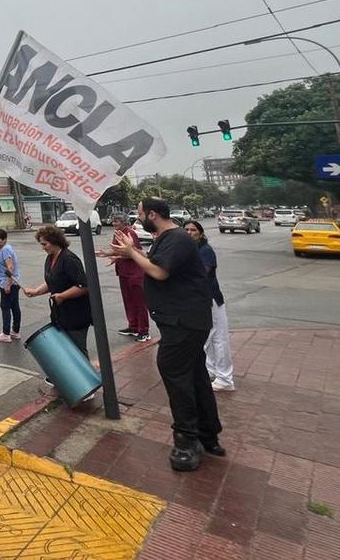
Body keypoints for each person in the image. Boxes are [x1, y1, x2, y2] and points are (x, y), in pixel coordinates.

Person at [112, 197, 223, 472]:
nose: (138, 219)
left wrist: (132, 252)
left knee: (174, 370)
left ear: (152, 214)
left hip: (184, 321)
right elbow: (156, 263)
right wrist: (128, 254)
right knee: (195, 374)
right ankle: (208, 434)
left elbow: (159, 272)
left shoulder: (177, 238)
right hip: (182, 320)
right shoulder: (167, 238)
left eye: (140, 214)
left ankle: (186, 442)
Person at [23, 226, 92, 361]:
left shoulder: (69, 259)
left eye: (45, 244)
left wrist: (63, 296)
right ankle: (69, 379)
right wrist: (36, 291)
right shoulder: (50, 258)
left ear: (54, 241)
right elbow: (53, 281)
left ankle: (88, 380)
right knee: (65, 349)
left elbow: (84, 286)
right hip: (59, 314)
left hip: (76, 314)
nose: (43, 247)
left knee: (78, 350)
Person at [184, 221, 234, 392]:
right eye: (187, 230)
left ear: (201, 233)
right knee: (211, 338)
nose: (190, 232)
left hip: (210, 299)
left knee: (216, 339)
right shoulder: (191, 250)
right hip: (201, 300)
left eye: (193, 230)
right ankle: (211, 371)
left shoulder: (205, 251)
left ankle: (224, 378)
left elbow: (201, 274)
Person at [111, 215, 151, 342]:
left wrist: (117, 257)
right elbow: (118, 251)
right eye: (113, 221)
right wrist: (108, 253)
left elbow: (133, 252)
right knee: (128, 301)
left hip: (134, 273)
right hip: (123, 272)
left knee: (139, 302)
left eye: (116, 221)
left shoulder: (129, 233)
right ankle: (133, 326)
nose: (114, 223)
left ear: (123, 222)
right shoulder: (118, 233)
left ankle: (143, 331)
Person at [0, 229, 22, 342]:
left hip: (8, 283)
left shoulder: (5, 250)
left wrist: (7, 284)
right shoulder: (6, 249)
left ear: (4, 239)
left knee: (5, 307)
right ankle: (15, 331)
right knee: (14, 307)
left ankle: (6, 333)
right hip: (13, 282)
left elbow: (10, 268)